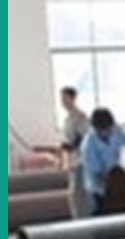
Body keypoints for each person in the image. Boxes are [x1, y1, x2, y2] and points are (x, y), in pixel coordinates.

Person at [32, 87, 91, 217]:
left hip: (81, 161)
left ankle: (84, 220)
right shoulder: (67, 119)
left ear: (72, 98)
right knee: (73, 195)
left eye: (65, 98)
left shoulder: (80, 117)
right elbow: (67, 141)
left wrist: (68, 147)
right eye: (61, 99)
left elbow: (82, 138)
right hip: (72, 160)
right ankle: (78, 218)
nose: (62, 102)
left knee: (79, 194)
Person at [80, 108, 125, 215]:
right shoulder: (88, 145)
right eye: (105, 130)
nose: (109, 131)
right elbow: (97, 173)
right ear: (96, 129)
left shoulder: (116, 129)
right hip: (99, 185)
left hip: (116, 177)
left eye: (110, 128)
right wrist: (113, 184)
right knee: (105, 210)